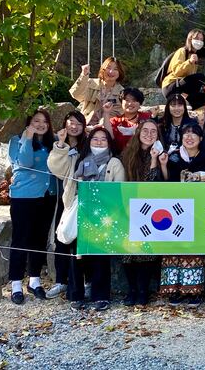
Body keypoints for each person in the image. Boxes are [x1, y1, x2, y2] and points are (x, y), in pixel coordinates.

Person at [51, 126, 124, 311]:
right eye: (95, 138)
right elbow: (60, 173)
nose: (99, 142)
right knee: (77, 254)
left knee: (100, 255)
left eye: (103, 139)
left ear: (109, 143)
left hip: (103, 214)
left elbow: (119, 189)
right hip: (80, 210)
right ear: (89, 141)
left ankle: (101, 295)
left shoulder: (114, 162)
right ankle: (76, 294)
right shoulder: (79, 159)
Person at [158, 122, 205, 306]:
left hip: (199, 209)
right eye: (186, 134)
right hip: (174, 210)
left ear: (200, 138)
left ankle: (193, 291)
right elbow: (165, 182)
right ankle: (173, 289)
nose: (189, 137)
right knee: (173, 247)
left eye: (194, 134)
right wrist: (164, 165)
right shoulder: (174, 157)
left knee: (195, 248)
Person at [7, 110, 57, 305]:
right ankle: (16, 283)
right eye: (36, 121)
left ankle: (35, 280)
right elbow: (24, 162)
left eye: (45, 121)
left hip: (47, 195)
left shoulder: (52, 142)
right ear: (29, 122)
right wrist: (28, 137)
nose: (40, 124)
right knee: (21, 238)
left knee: (40, 238)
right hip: (24, 196)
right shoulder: (17, 140)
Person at [120, 119, 165, 306]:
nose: (148, 134)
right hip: (128, 206)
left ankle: (143, 290)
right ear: (138, 133)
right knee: (127, 252)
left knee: (146, 251)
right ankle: (132, 289)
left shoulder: (161, 155)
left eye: (153, 131)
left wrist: (155, 160)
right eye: (145, 130)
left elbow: (153, 184)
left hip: (151, 208)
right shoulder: (128, 154)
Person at [45, 111, 87, 300]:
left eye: (79, 123)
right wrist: (61, 145)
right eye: (71, 122)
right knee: (62, 237)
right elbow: (56, 169)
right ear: (65, 124)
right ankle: (61, 280)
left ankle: (86, 281)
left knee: (84, 240)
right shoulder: (59, 144)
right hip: (68, 197)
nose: (74, 126)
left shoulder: (89, 144)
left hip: (87, 198)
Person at [161, 28, 205, 109]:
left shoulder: (194, 55)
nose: (199, 41)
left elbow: (189, 79)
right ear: (190, 39)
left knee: (204, 97)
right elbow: (177, 72)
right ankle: (184, 99)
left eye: (201, 39)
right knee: (200, 77)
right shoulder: (182, 51)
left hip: (181, 87)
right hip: (171, 87)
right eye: (197, 38)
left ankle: (185, 101)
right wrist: (189, 62)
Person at [69, 57, 125, 126]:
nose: (111, 72)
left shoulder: (122, 92)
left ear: (120, 72)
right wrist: (83, 75)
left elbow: (117, 113)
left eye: (115, 69)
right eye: (108, 68)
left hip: (107, 127)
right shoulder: (91, 83)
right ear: (103, 69)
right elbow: (76, 94)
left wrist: (100, 126)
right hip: (85, 123)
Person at [105, 87, 151, 153]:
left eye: (134, 100)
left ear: (140, 103)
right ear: (121, 102)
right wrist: (106, 113)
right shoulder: (115, 121)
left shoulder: (147, 118)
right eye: (127, 100)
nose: (130, 103)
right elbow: (108, 137)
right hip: (120, 157)